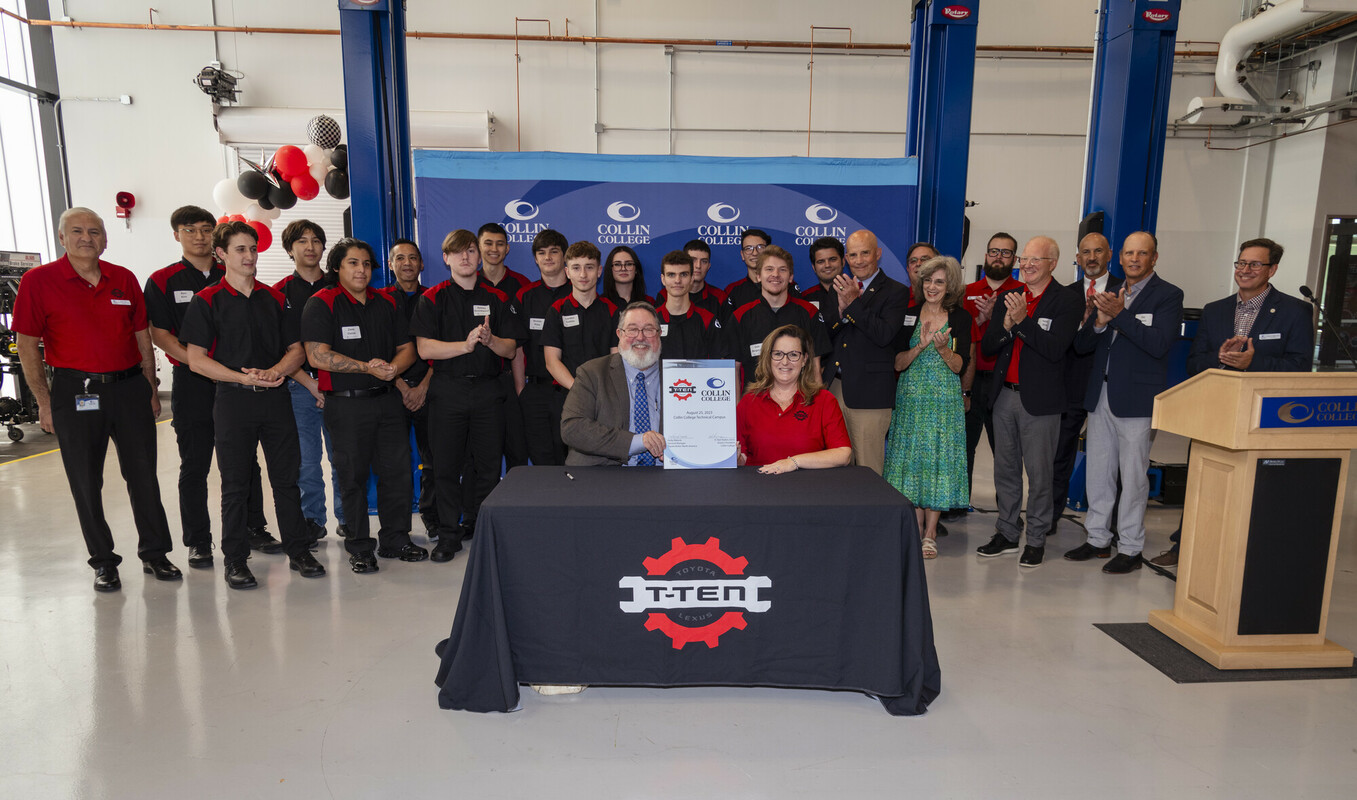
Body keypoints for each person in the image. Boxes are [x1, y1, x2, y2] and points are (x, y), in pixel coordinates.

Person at [12, 207, 181, 593]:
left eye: (94, 231)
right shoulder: (39, 282)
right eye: (77, 231)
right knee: (86, 481)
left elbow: (141, 336)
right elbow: (26, 346)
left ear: (105, 238)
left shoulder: (122, 279)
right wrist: (44, 401)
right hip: (76, 392)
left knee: (143, 475)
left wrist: (150, 387)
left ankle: (155, 553)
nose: (86, 237)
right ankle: (104, 562)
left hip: (128, 389)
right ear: (62, 238)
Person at [1150, 237, 1313, 567]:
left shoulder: (1295, 311)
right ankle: (1186, 546)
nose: (1245, 270)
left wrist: (1253, 363)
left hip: (1264, 416)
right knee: (1203, 479)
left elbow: (1300, 367)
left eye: (1255, 264)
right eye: (1241, 263)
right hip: (1216, 412)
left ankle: (1248, 552)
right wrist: (1220, 358)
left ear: (1273, 269)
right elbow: (1194, 363)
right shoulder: (1215, 310)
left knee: (1253, 487)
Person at [180, 220, 326, 588]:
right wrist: (243, 377)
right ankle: (235, 559)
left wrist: (276, 372)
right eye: (240, 249)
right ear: (221, 255)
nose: (248, 256)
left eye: (252, 249)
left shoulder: (275, 298)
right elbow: (196, 359)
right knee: (235, 484)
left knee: (286, 480)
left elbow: (297, 350)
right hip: (232, 401)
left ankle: (298, 550)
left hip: (276, 400)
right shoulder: (207, 301)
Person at [144, 205, 274, 567]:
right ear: (177, 235)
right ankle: (198, 540)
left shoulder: (233, 269)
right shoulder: (163, 280)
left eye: (205, 229)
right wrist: (200, 364)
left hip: (240, 382)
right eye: (190, 230)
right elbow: (160, 334)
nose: (199, 236)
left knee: (246, 460)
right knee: (195, 464)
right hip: (193, 382)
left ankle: (254, 528)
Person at [302, 238, 425, 574]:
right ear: (338, 268)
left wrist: (394, 369)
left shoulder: (386, 302)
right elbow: (316, 355)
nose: (361, 269)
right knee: (352, 478)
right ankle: (359, 547)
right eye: (353, 263)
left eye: (367, 263)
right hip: (346, 406)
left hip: (387, 401)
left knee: (397, 473)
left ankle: (396, 539)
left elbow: (407, 348)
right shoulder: (322, 303)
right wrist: (365, 367)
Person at [1063, 232, 1183, 574]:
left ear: (1154, 258)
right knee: (1099, 474)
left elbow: (1159, 344)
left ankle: (1130, 546)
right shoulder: (1110, 293)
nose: (1134, 259)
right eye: (1129, 253)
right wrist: (1098, 322)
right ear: (1121, 258)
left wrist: (1120, 316)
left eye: (1141, 253)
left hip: (1137, 401)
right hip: (1099, 396)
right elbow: (1083, 346)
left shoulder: (1168, 296)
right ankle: (1097, 538)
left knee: (1132, 477)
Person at [410, 229, 526, 561]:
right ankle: (448, 535)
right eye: (458, 252)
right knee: (445, 466)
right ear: (445, 258)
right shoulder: (431, 298)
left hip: (489, 390)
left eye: (471, 251)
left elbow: (511, 347)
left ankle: (481, 528)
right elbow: (423, 348)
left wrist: (490, 341)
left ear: (478, 258)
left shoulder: (498, 299)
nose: (466, 257)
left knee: (489, 466)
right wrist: (465, 345)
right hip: (447, 390)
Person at [976, 236, 1081, 568]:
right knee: (1005, 470)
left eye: (1038, 259)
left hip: (1041, 403)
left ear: (1053, 263)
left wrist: (1022, 322)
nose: (1028, 264)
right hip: (1004, 396)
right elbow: (989, 347)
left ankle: (1035, 539)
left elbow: (1054, 349)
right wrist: (1007, 326)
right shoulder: (1010, 296)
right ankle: (1007, 533)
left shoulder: (1066, 300)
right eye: (1025, 259)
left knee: (1039, 475)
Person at [884, 256, 973, 557]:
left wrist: (943, 349)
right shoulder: (908, 315)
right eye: (927, 281)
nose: (932, 287)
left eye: (939, 282)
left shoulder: (960, 319)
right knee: (911, 464)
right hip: (910, 401)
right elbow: (897, 362)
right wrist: (920, 346)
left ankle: (930, 533)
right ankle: (915, 528)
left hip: (944, 403)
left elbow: (960, 366)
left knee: (937, 463)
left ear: (950, 287)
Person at [273, 219, 345, 544]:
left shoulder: (340, 287)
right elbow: (282, 350)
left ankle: (348, 518)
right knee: (306, 463)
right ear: (290, 249)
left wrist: (329, 383)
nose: (310, 246)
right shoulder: (277, 294)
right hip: (299, 389)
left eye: (316, 240)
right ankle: (313, 520)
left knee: (343, 457)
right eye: (302, 241)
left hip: (341, 388)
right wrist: (310, 384)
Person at [1048, 232, 1122, 539]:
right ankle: (1048, 518)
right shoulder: (1064, 295)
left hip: (1112, 386)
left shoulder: (1125, 290)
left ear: (1109, 254)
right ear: (1077, 259)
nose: (1091, 258)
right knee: (1059, 454)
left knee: (1113, 458)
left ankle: (1113, 527)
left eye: (1098, 251)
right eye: (1085, 252)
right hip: (1072, 385)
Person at [821, 229, 911, 475]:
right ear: (846, 259)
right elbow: (826, 334)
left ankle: (874, 515)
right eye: (853, 255)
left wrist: (853, 304)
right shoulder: (837, 286)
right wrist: (840, 315)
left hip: (870, 393)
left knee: (868, 468)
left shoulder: (896, 291)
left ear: (878, 254)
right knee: (835, 464)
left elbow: (884, 334)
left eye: (865, 253)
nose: (859, 260)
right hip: (835, 387)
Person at [560, 302, 667, 467]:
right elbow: (573, 428)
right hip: (604, 474)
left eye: (648, 329)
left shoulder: (679, 376)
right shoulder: (592, 373)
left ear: (659, 334)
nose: (640, 337)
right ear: (619, 334)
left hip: (665, 473)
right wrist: (638, 441)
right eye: (632, 329)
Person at [736, 324, 852, 473]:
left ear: (804, 359)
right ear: (768, 358)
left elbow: (843, 454)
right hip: (759, 488)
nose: (785, 362)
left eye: (793, 355)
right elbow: (742, 460)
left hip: (808, 489)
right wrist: (736, 458)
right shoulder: (748, 403)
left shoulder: (824, 400)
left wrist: (793, 462)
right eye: (778, 354)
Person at [961, 233, 1022, 510]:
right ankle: (958, 503)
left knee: (1006, 452)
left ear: (1014, 259)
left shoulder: (1022, 292)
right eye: (993, 251)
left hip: (1004, 383)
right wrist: (982, 317)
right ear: (985, 256)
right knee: (964, 449)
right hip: (971, 380)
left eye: (1005, 252)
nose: (998, 256)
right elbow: (959, 334)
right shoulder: (965, 291)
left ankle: (1008, 510)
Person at [382, 238, 439, 534]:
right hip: (392, 392)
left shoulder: (435, 297)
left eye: (413, 258)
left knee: (434, 461)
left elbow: (441, 349)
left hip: (431, 390)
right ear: (390, 264)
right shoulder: (378, 301)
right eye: (400, 258)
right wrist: (403, 386)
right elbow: (376, 349)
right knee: (395, 463)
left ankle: (433, 519)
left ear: (422, 264)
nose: (407, 263)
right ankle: (398, 527)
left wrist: (423, 387)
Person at [726, 246, 831, 385]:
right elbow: (733, 371)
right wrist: (737, 407)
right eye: (769, 269)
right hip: (755, 402)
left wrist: (818, 406)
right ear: (758, 275)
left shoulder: (809, 313)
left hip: (800, 402)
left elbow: (815, 369)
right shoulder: (740, 316)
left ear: (791, 277)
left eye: (782, 269)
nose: (776, 274)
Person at [513, 229, 573, 466]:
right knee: (541, 460)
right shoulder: (524, 295)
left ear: (565, 256)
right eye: (542, 252)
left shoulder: (579, 293)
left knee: (572, 458)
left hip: (571, 390)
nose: (548, 257)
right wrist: (521, 389)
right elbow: (517, 347)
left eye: (554, 252)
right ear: (535, 258)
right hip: (535, 391)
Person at [476, 222, 532, 473]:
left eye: (499, 243)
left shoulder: (522, 285)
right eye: (488, 243)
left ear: (507, 248)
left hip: (513, 378)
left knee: (517, 449)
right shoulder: (469, 284)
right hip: (479, 380)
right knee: (480, 453)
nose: (494, 249)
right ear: (478, 247)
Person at [543, 241, 620, 391]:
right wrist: (579, 390)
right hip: (566, 393)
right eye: (576, 268)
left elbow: (616, 360)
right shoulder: (557, 310)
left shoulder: (612, 310)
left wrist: (600, 393)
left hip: (603, 395)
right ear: (567, 272)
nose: (583, 274)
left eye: (589, 267)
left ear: (599, 271)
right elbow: (552, 361)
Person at [656, 251, 724, 359]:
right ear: (663, 279)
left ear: (692, 278)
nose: (677, 280)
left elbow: (720, 365)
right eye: (671, 275)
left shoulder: (707, 320)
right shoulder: (651, 320)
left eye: (683, 274)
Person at [722, 228, 799, 316]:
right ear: (742, 255)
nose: (754, 253)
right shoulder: (732, 291)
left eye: (760, 247)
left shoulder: (787, 285)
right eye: (748, 248)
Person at [655, 239, 726, 316]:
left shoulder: (720, 298)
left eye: (704, 261)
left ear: (709, 266)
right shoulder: (663, 295)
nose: (698, 266)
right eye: (693, 260)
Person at [800, 236, 845, 310]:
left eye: (832, 259)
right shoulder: (804, 299)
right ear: (814, 267)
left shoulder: (856, 293)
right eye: (821, 261)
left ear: (843, 262)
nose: (827, 265)